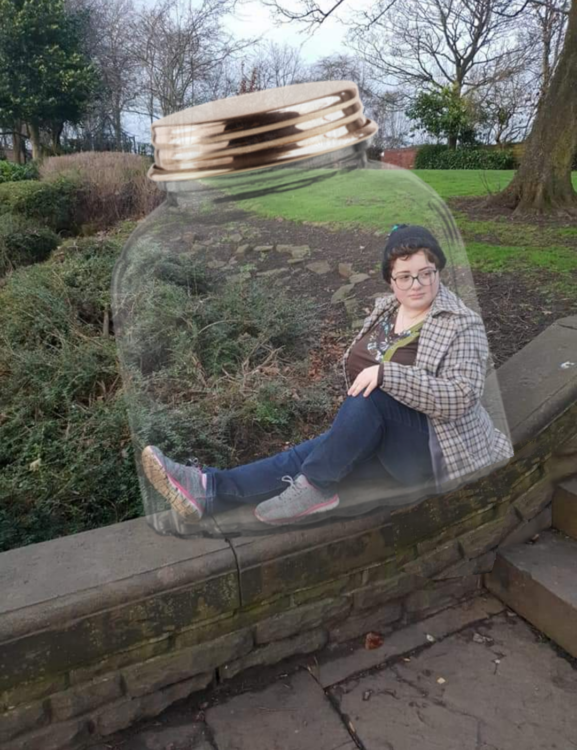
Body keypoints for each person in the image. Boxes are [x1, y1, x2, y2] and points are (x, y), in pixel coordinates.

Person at [141, 224, 514, 527]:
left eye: (425, 274)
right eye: (404, 277)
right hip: (383, 434)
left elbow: (462, 395)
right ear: (390, 280)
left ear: (438, 271)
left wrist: (389, 376)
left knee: (371, 404)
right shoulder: (387, 310)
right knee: (305, 457)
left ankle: (316, 487)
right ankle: (208, 489)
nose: (416, 284)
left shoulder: (461, 323)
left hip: (436, 450)